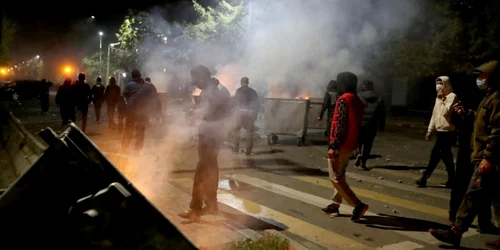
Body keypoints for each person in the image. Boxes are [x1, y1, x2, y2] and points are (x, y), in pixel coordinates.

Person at [429, 60, 500, 248]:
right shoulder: (489, 96)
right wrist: (467, 115)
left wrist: (489, 157)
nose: (480, 80)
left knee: (473, 195)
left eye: (483, 77)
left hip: (488, 158)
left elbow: (498, 130)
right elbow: (481, 122)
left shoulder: (497, 98)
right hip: (482, 155)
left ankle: (456, 232)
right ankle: (457, 231)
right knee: (490, 198)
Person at [178, 65, 231, 221]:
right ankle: (211, 206)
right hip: (210, 133)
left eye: (197, 81)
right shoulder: (212, 90)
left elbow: (212, 111)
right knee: (210, 169)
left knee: (202, 170)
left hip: (212, 135)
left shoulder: (217, 91)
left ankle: (195, 209)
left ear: (203, 76)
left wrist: (196, 113)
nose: (196, 85)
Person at [321, 71, 368, 221]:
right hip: (350, 144)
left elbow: (341, 125)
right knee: (340, 176)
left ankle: (358, 205)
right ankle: (335, 205)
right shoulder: (357, 100)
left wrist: (334, 146)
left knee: (335, 178)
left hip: (340, 145)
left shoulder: (343, 100)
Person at [416, 76, 458, 188]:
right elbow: (435, 115)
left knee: (435, 155)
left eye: (441, 83)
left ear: (446, 84)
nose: (438, 86)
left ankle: (424, 178)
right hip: (440, 131)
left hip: (448, 132)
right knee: (446, 157)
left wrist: (443, 99)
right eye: (437, 83)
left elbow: (446, 112)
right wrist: (430, 130)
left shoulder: (452, 96)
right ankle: (452, 180)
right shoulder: (438, 98)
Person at [121, 69, 159, 153]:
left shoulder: (129, 85)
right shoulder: (147, 85)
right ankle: (137, 150)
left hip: (131, 110)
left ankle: (124, 147)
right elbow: (153, 98)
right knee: (140, 130)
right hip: (142, 111)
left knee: (128, 129)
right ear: (140, 75)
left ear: (132, 76)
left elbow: (124, 95)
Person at [355, 80, 386, 170]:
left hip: (360, 123)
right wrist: (382, 126)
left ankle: (358, 153)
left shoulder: (358, 97)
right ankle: (363, 162)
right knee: (368, 144)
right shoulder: (379, 98)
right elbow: (382, 113)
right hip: (372, 124)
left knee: (358, 141)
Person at [229, 77, 259, 156]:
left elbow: (236, 103)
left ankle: (236, 149)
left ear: (241, 82)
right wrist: (255, 115)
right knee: (249, 133)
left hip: (240, 114)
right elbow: (257, 104)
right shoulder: (253, 92)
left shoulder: (238, 91)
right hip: (250, 114)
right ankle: (248, 152)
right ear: (248, 83)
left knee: (236, 131)